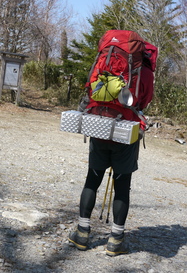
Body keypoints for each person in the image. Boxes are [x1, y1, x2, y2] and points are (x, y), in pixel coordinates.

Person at [68, 41, 156, 256]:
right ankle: (115, 240)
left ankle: (82, 233)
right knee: (122, 185)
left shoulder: (105, 63)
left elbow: (90, 89)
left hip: (100, 126)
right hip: (126, 132)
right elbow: (144, 101)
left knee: (92, 179)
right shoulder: (143, 72)